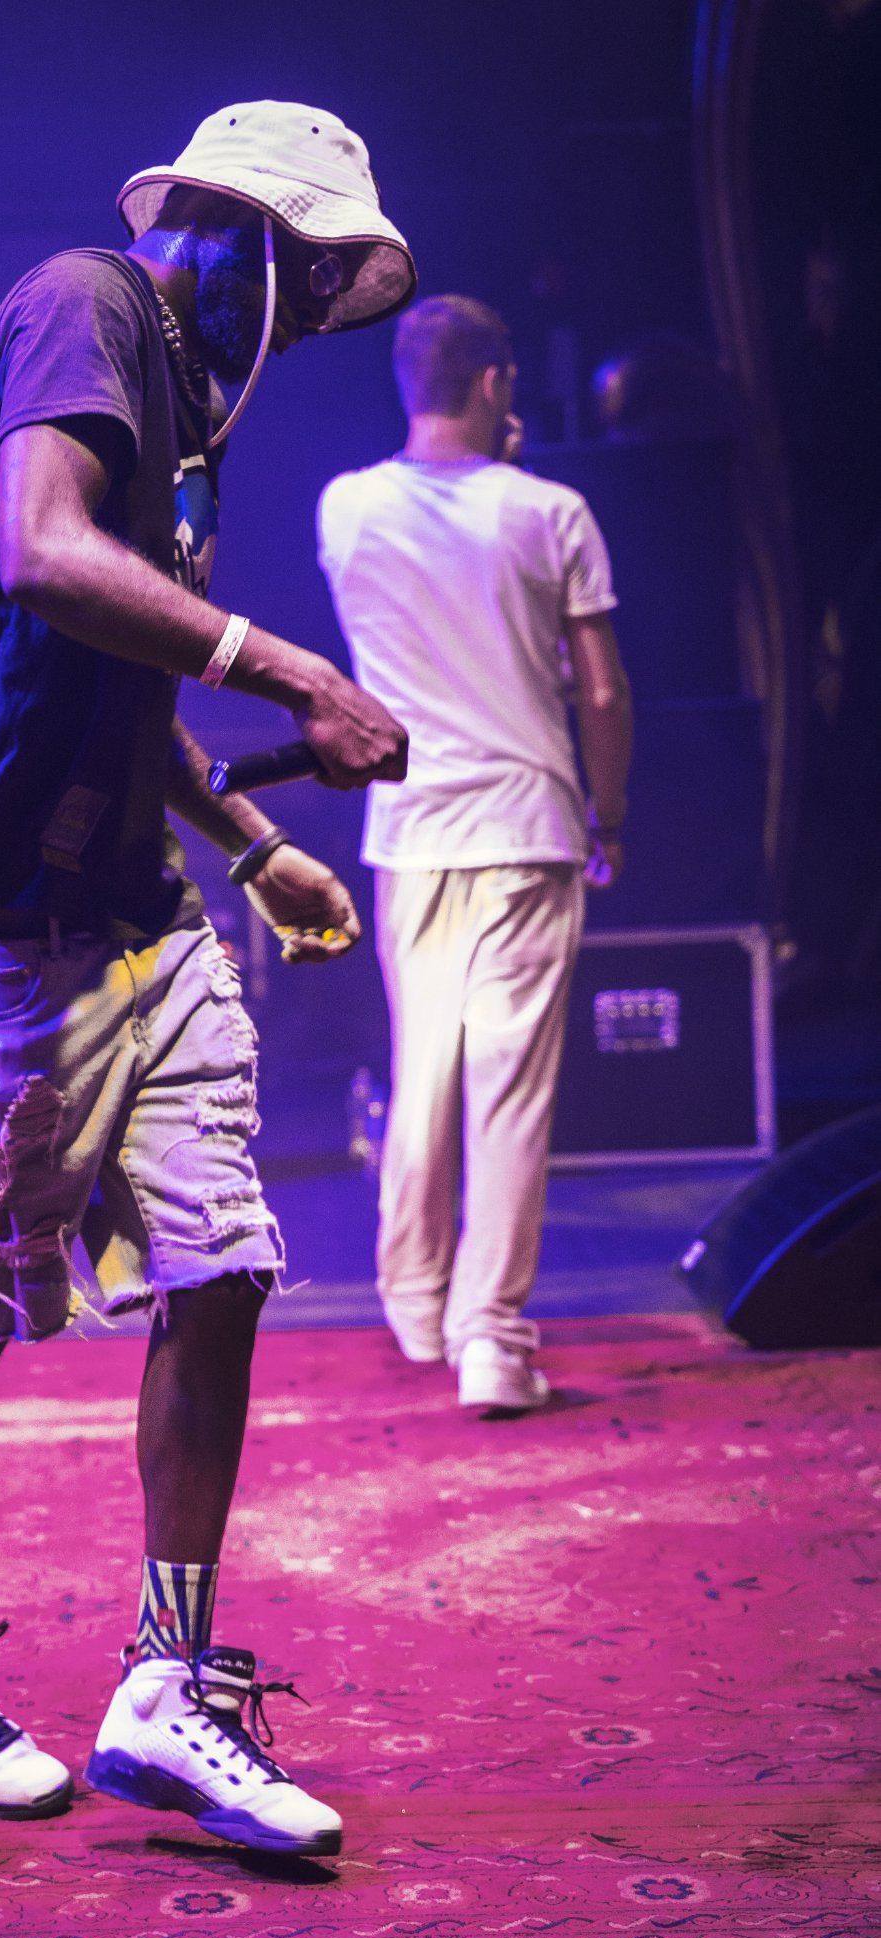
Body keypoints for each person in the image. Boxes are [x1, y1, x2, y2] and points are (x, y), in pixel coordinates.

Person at [0, 102, 414, 1858]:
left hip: (138, 909)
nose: (309, 323)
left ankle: (167, 1680)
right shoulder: (87, 307)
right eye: (311, 284)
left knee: (222, 1259)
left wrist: (251, 844)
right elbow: (43, 554)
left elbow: (127, 672)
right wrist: (295, 666)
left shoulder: (188, 419)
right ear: (246, 239)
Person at [317, 295, 633, 1414]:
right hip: (530, 822)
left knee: (426, 1070)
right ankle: (491, 1337)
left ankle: (413, 1299)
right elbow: (597, 684)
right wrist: (612, 813)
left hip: (411, 833)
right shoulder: (552, 510)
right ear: (497, 383)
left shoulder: (344, 507)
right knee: (508, 1088)